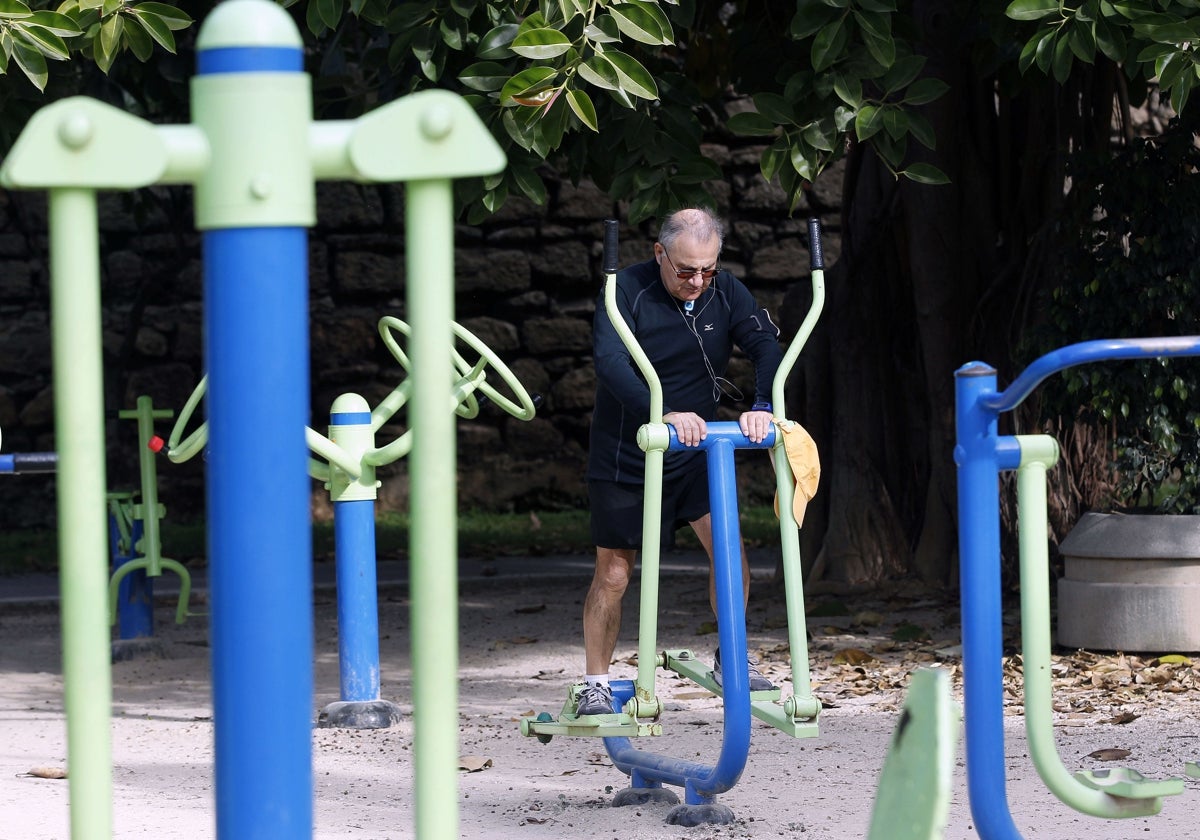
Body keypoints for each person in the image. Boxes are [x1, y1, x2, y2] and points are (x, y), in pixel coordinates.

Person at [577, 207, 785, 716]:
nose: (697, 281)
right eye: (686, 270)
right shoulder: (625, 290)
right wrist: (662, 412)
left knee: (730, 553)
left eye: (707, 270)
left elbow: (765, 345)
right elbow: (609, 363)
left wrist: (761, 405)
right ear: (659, 253)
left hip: (694, 455)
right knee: (614, 574)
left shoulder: (725, 290)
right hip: (629, 452)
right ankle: (595, 684)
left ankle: (730, 659)